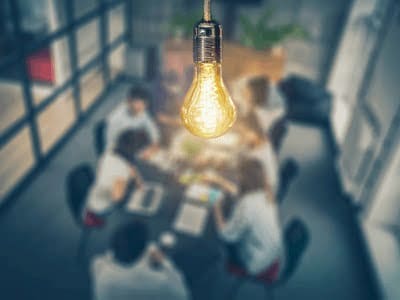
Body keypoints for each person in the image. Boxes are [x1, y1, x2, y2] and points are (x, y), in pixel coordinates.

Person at [212, 158, 283, 279]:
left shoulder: (247, 205)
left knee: (214, 238)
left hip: (257, 262)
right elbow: (243, 196)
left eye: (238, 176)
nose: (237, 178)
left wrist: (216, 206)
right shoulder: (266, 193)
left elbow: (226, 234)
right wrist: (221, 182)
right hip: (273, 251)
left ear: (244, 179)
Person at [91, 221, 190, 300]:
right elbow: (183, 295)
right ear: (142, 252)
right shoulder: (159, 282)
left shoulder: (98, 265)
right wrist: (164, 264)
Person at [84, 129, 149, 225]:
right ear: (134, 151)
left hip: (95, 193)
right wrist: (126, 182)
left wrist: (139, 181)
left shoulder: (113, 148)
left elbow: (130, 166)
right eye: (142, 150)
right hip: (101, 206)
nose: (144, 152)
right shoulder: (121, 171)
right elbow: (117, 198)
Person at [106, 86, 160, 159]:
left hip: (135, 148)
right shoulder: (115, 120)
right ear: (129, 101)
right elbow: (111, 148)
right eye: (137, 103)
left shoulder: (141, 111)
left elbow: (152, 129)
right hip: (120, 155)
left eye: (144, 104)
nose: (141, 107)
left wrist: (153, 146)